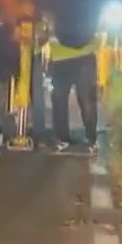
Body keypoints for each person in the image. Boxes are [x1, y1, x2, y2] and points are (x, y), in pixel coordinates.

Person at [45, 20, 100, 151]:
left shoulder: (54, 4)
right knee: (86, 100)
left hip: (61, 57)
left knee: (60, 100)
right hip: (84, 55)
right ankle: (91, 139)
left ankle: (63, 139)